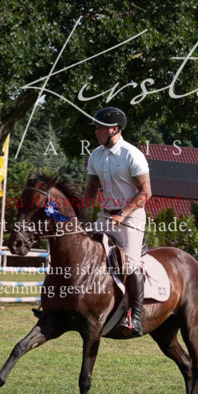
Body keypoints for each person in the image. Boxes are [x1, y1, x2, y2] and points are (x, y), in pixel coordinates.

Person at [84, 107, 152, 335]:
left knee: (131, 264)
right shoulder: (96, 155)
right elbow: (91, 191)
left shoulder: (132, 154)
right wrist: (80, 216)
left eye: (100, 127)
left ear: (114, 129)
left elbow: (145, 193)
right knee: (81, 251)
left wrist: (122, 214)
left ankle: (136, 316)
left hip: (131, 217)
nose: (96, 131)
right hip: (105, 216)